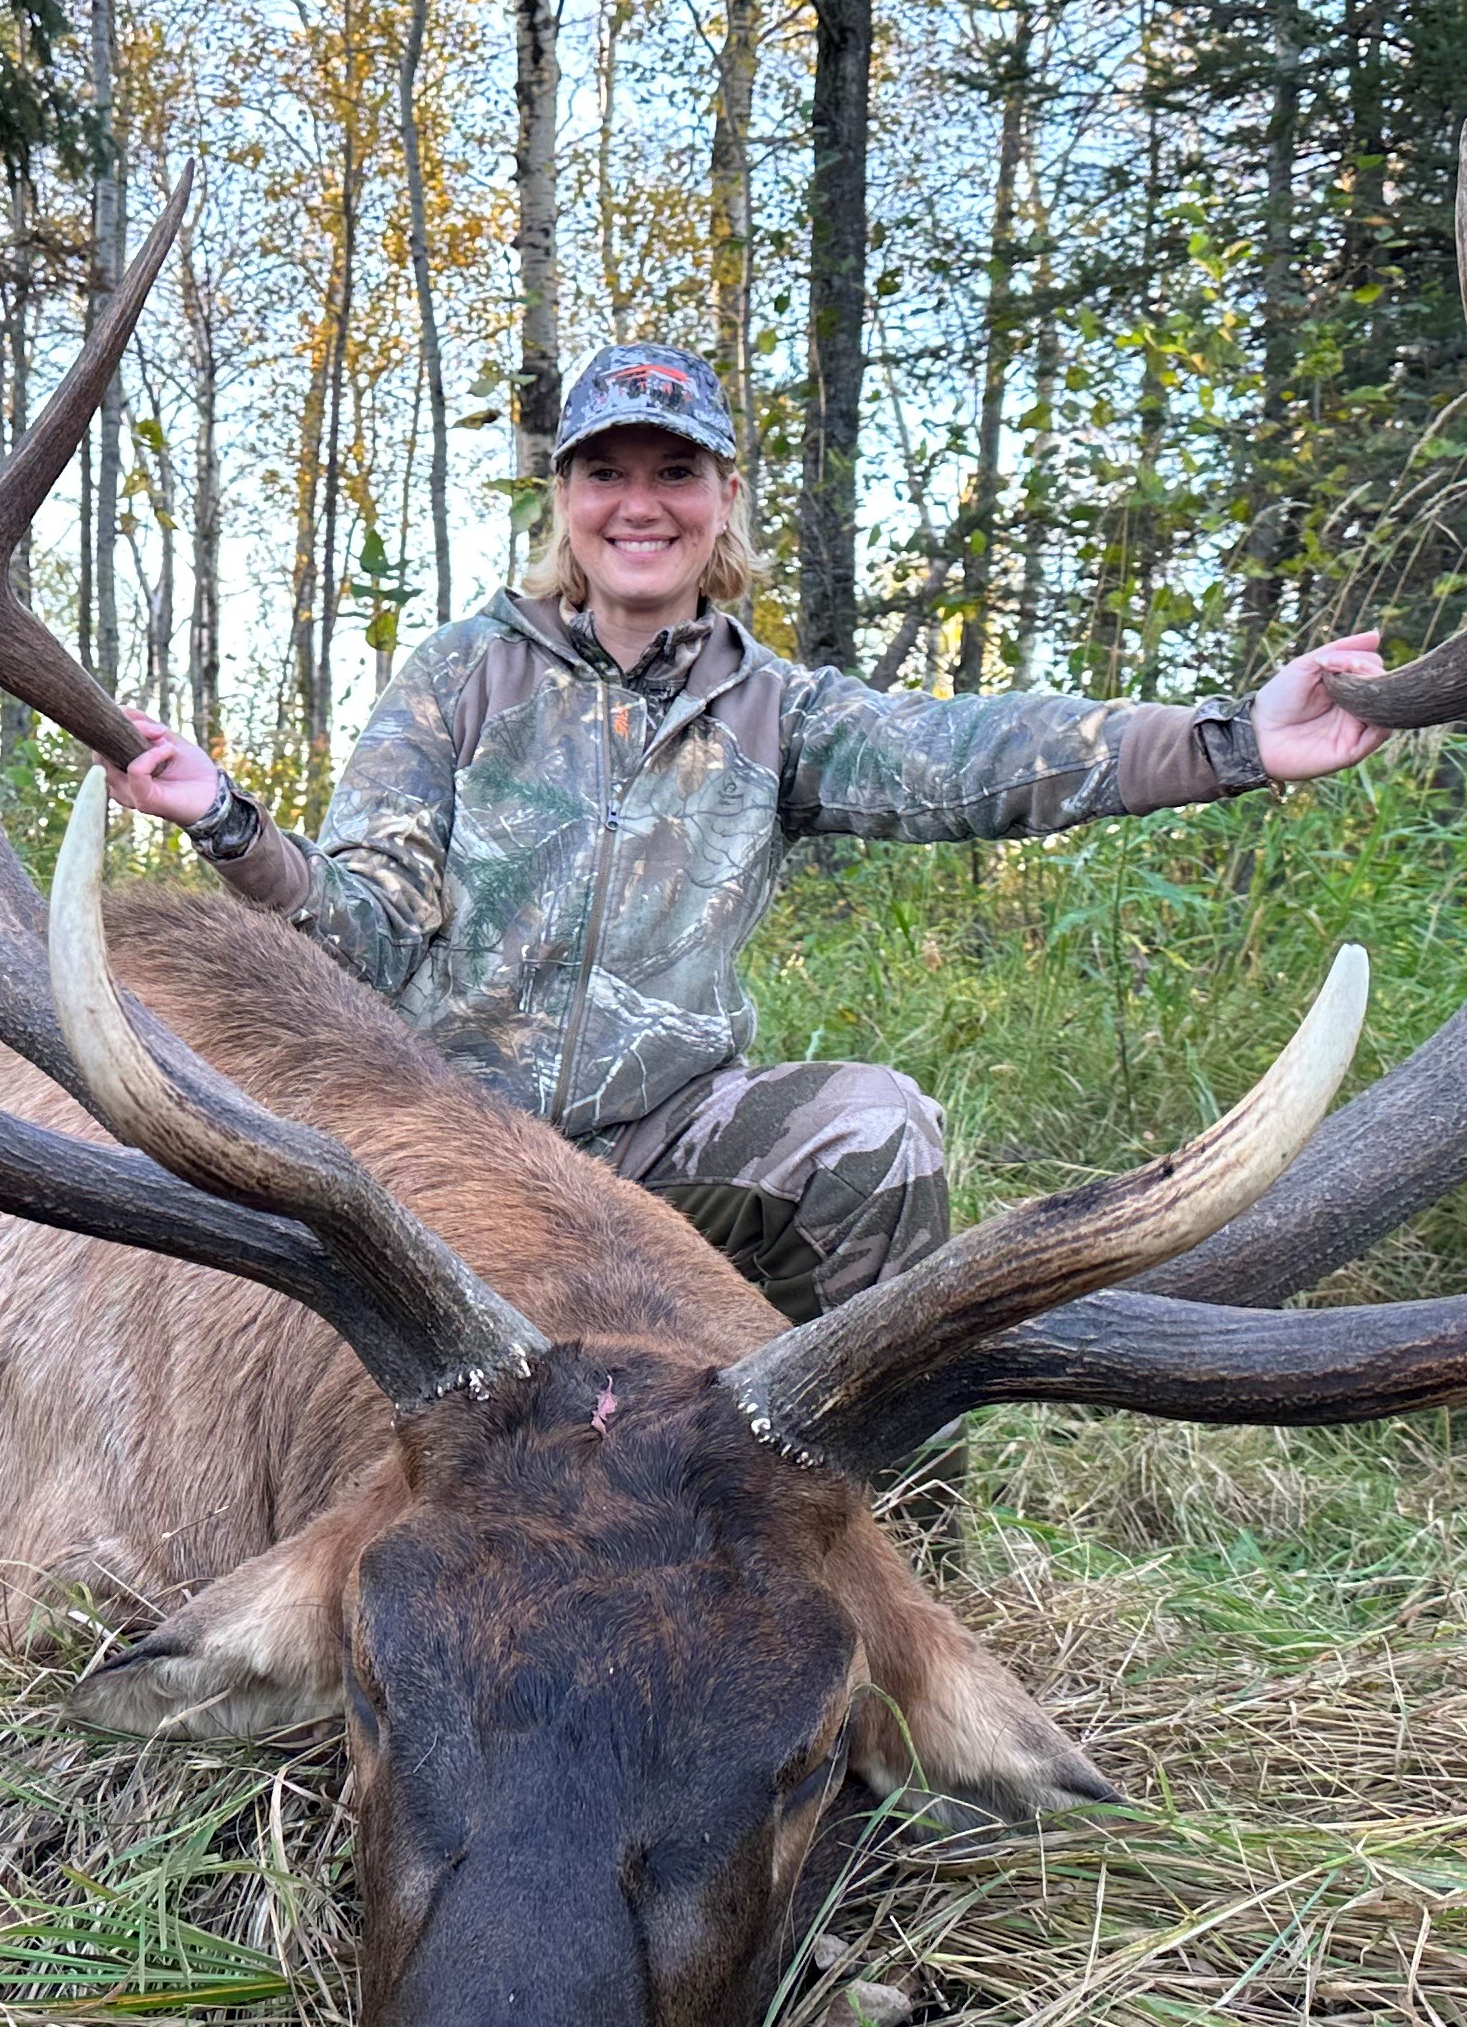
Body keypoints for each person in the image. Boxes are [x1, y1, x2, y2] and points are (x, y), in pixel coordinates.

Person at [106, 340, 1391, 1323]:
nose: (639, 504)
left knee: (880, 1131)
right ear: (565, 498)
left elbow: (973, 757)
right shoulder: (459, 676)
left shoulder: (776, 709)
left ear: (722, 497)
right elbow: (365, 930)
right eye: (605, 472)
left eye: (675, 473)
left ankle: (880, 1512)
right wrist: (227, 822)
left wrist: (1232, 742)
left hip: (664, 1142)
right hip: (447, 1138)